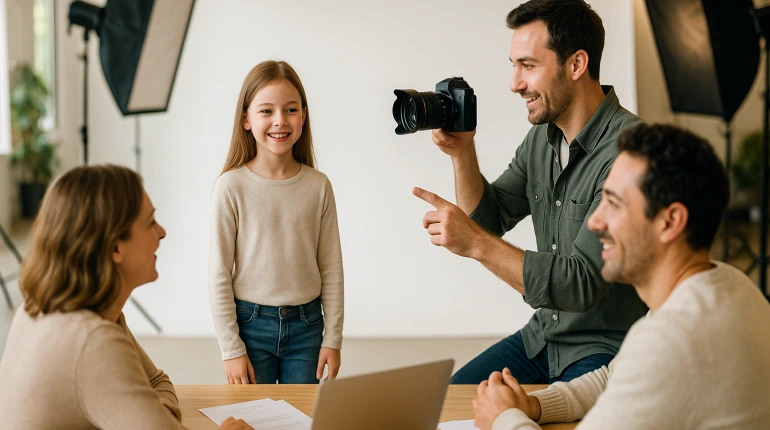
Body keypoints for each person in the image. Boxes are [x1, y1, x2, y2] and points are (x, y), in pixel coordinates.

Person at [472, 124, 770, 429]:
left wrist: (504, 419)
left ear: (670, 221)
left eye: (613, 204)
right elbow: (613, 376)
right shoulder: (733, 286)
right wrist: (534, 405)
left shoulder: (669, 339)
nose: (595, 222)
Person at [413, 0, 647, 384]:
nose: (514, 83)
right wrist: (462, 152)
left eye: (529, 66)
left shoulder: (629, 150)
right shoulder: (541, 139)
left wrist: (476, 244)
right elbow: (490, 218)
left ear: (576, 65)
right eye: (514, 66)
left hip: (603, 348)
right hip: (544, 337)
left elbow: (580, 283)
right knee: (450, 398)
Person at [0, 165, 252, 430]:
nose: (162, 232)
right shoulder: (93, 341)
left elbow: (157, 382)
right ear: (115, 246)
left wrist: (154, 413)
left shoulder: (41, 309)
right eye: (150, 222)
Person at [209, 60, 344, 385]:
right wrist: (231, 349)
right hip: (251, 327)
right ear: (246, 119)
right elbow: (219, 274)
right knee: (256, 418)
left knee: (303, 420)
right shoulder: (231, 187)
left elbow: (331, 268)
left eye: (291, 110)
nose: (280, 121)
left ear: (304, 115)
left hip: (308, 327)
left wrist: (333, 338)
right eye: (266, 111)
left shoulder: (318, 186)